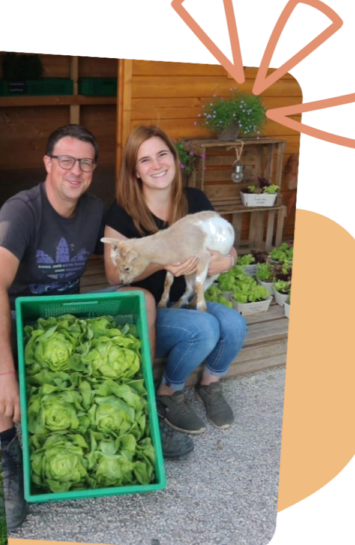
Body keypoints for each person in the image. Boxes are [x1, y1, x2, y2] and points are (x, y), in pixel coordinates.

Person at [0, 124, 194, 532]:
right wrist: (5, 373)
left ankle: (144, 412)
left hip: (68, 313)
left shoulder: (94, 210)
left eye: (86, 163)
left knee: (143, 300)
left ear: (93, 168)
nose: (76, 170)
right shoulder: (20, 210)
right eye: (66, 160)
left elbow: (126, 256)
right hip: (21, 316)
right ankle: (6, 455)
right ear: (48, 163)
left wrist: (172, 254)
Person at [103, 125, 248, 435]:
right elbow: (114, 275)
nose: (156, 165)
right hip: (150, 310)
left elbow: (222, 239)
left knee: (235, 324)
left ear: (174, 160)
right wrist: (158, 260)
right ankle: (168, 391)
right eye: (145, 160)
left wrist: (228, 259)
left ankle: (210, 384)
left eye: (162, 155)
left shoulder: (194, 200)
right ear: (135, 171)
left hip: (186, 299)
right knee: (205, 327)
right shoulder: (121, 214)